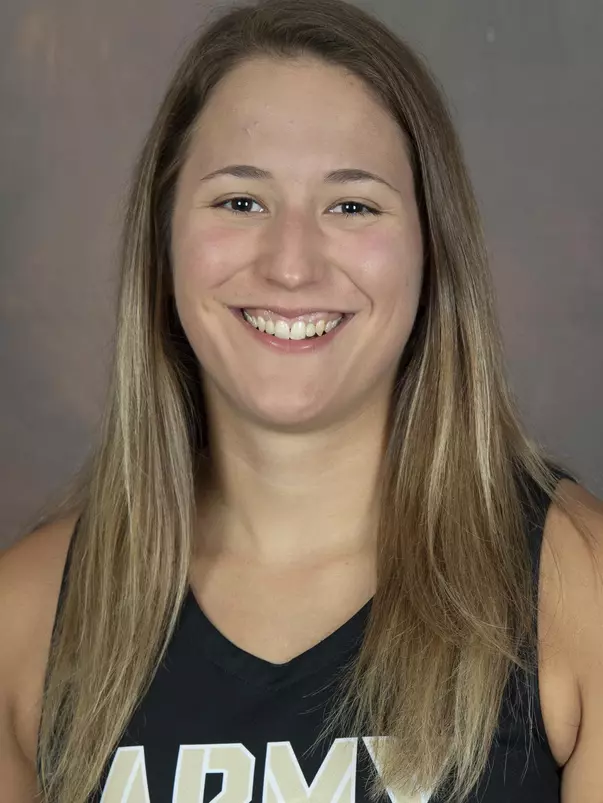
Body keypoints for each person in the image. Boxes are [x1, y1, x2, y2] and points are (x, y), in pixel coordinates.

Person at [1, 0, 602, 800]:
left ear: (432, 248)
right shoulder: (24, 617)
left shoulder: (577, 590)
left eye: (351, 205)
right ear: (164, 239)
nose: (291, 264)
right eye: (239, 201)